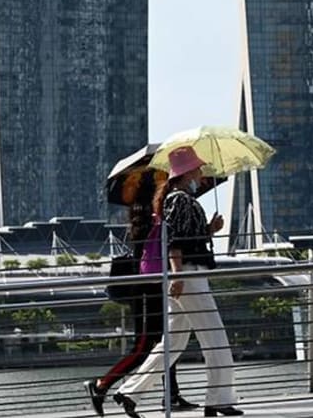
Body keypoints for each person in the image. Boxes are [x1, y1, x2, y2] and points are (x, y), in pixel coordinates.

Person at [113, 146, 244, 417]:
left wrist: (209, 230)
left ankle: (129, 393)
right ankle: (219, 399)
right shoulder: (181, 200)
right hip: (189, 276)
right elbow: (174, 243)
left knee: (172, 342)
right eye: (197, 167)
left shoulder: (175, 198)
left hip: (184, 275)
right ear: (187, 171)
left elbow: (184, 237)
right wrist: (178, 275)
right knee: (215, 338)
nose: (201, 171)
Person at [85, 169, 197, 416]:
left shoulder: (157, 211)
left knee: (166, 342)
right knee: (144, 346)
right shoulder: (147, 214)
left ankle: (172, 395)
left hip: (156, 286)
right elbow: (153, 252)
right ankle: (101, 385)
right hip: (146, 288)